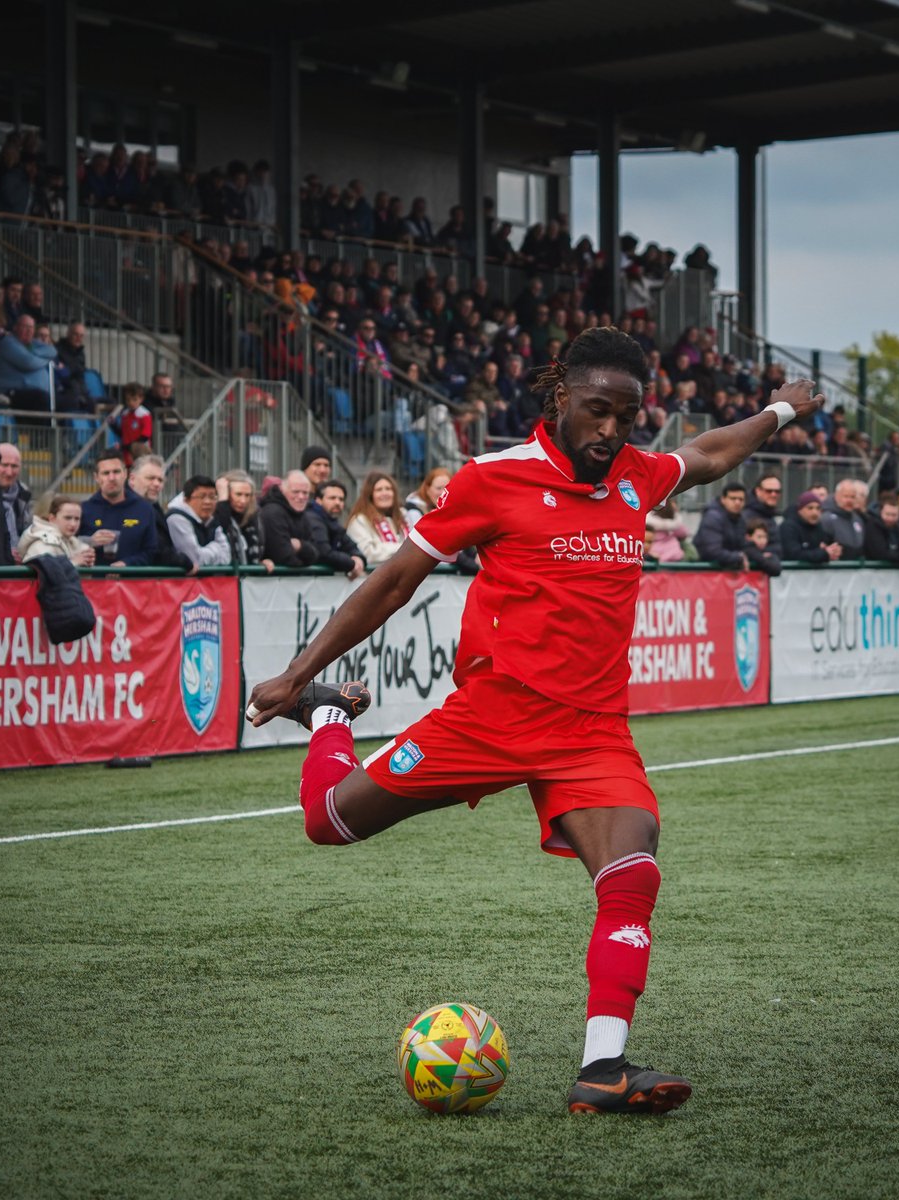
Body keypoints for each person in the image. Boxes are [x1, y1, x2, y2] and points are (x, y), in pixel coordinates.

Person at [245, 326, 823, 1115]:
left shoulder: (635, 476)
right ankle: (327, 722)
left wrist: (778, 413)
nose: (611, 431)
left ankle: (604, 1068)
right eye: (596, 411)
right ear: (560, 399)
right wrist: (299, 675)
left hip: (591, 732)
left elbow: (711, 455)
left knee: (633, 871)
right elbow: (392, 584)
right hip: (489, 721)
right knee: (327, 823)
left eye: (627, 415)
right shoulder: (491, 479)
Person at [79, 449, 158, 567]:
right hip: (94, 583)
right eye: (106, 473)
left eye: (116, 471)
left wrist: (127, 564)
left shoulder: (144, 509)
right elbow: (67, 545)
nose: (112, 478)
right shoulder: (84, 510)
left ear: (125, 474)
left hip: (131, 583)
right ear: (96, 477)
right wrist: (90, 541)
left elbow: (152, 552)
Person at [127, 454, 194, 573]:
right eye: (150, 478)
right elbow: (157, 550)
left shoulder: (154, 508)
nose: (157, 484)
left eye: (160, 480)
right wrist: (185, 562)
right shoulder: (127, 507)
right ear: (132, 479)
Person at [167, 475, 232, 568]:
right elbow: (194, 559)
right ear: (186, 500)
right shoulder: (176, 519)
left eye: (212, 497)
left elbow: (226, 557)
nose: (208, 502)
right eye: (202, 497)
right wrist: (216, 547)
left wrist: (204, 552)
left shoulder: (211, 520)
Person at [345, 471, 408, 565]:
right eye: (379, 490)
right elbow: (367, 553)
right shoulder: (360, 520)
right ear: (370, 495)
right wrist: (404, 548)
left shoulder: (403, 517)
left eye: (388, 489)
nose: (385, 493)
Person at [306, 479, 366, 578]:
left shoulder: (333, 523)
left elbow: (352, 546)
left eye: (341, 499)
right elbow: (324, 553)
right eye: (332, 498)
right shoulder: (312, 518)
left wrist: (359, 558)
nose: (337, 502)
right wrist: (351, 563)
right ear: (318, 500)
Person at [258, 471, 319, 567]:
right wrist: (305, 563)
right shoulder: (272, 513)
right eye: (295, 492)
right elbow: (283, 557)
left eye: (305, 493)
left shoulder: (302, 514)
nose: (301, 497)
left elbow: (316, 553)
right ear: (282, 490)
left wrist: (300, 546)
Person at [215, 469, 272, 570]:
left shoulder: (254, 517)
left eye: (247, 495)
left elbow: (257, 549)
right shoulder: (215, 512)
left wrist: (261, 562)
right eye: (238, 494)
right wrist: (222, 501)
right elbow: (221, 531)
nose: (243, 500)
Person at [18, 494, 95, 566]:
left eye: (77, 519)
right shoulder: (44, 544)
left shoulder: (72, 543)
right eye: (67, 518)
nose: (73, 524)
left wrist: (86, 560)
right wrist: (74, 562)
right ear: (52, 518)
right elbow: (49, 575)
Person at [693, 483, 750, 570]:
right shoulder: (713, 517)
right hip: (707, 573)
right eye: (733, 498)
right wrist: (738, 557)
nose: (737, 502)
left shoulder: (741, 519)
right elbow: (712, 551)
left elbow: (744, 545)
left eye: (741, 499)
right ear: (723, 499)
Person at [779, 492, 842, 564]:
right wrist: (823, 554)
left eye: (818, 508)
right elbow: (794, 554)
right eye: (810, 508)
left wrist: (834, 550)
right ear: (800, 510)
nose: (814, 512)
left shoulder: (819, 527)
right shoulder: (788, 527)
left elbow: (826, 545)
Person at [819, 479, 865, 560]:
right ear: (837, 496)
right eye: (846, 496)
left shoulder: (858, 519)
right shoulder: (826, 519)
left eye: (853, 497)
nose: (849, 500)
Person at [742, 475, 782, 540]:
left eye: (777, 491)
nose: (773, 494)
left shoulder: (771, 513)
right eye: (769, 491)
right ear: (758, 491)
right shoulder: (746, 516)